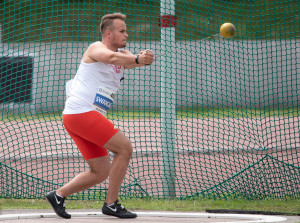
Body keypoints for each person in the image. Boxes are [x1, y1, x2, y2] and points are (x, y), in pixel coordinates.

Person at [45, 13, 154, 219]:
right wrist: (137, 58)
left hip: (79, 116)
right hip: (81, 113)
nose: (126, 34)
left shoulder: (123, 53)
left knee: (101, 171)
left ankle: (58, 195)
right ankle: (111, 204)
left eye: (126, 31)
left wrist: (143, 58)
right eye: (121, 31)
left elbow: (129, 61)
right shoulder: (96, 48)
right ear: (108, 33)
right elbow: (113, 58)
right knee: (124, 148)